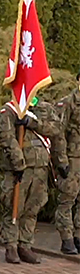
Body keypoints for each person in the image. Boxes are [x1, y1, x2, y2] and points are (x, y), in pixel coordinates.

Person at [0, 96, 64, 263]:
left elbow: (55, 129)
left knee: (33, 207)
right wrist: (18, 163)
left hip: (40, 166)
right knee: (14, 206)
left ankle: (25, 245)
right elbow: (7, 138)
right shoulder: (10, 109)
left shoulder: (45, 108)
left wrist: (33, 123)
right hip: (19, 167)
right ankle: (11, 245)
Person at [55, 69, 80, 255]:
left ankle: (78, 236)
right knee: (67, 198)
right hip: (72, 158)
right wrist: (61, 161)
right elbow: (58, 134)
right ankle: (67, 238)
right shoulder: (68, 103)